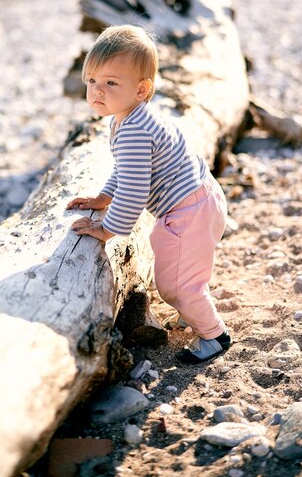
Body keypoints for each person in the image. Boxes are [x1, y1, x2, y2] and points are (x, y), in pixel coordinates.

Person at [66, 24, 231, 364]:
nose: (98, 91)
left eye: (111, 83)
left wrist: (106, 228)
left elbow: (135, 189)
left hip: (189, 211)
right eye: (92, 81)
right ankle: (195, 310)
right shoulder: (128, 118)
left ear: (142, 90)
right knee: (186, 274)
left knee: (174, 286)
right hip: (201, 197)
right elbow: (126, 171)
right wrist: (103, 197)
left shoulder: (134, 131)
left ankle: (215, 335)